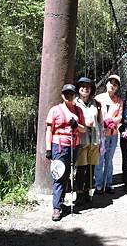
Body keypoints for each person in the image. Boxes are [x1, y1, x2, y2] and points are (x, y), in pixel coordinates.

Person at [45, 84, 86, 221]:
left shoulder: (78, 110)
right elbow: (49, 130)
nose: (69, 96)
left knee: (67, 174)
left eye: (71, 93)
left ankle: (61, 202)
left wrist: (76, 125)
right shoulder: (55, 110)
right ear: (62, 95)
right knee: (59, 175)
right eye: (66, 93)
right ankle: (56, 208)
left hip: (74, 146)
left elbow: (84, 129)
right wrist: (49, 149)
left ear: (74, 95)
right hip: (59, 146)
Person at [74, 77, 103, 205]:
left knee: (91, 168)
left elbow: (100, 122)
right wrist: (85, 123)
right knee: (81, 168)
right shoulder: (74, 104)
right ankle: (79, 194)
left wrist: (102, 139)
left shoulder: (96, 103)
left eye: (88, 86)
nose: (85, 88)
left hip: (94, 140)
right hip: (81, 140)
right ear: (78, 89)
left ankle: (87, 192)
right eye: (82, 86)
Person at [94, 74, 123, 194]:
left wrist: (112, 121)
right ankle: (98, 185)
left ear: (117, 87)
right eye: (111, 83)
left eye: (115, 84)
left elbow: (120, 116)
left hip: (113, 133)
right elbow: (94, 114)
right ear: (106, 84)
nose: (112, 85)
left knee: (109, 159)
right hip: (100, 133)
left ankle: (108, 183)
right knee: (100, 159)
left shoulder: (119, 101)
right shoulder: (98, 98)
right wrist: (103, 122)